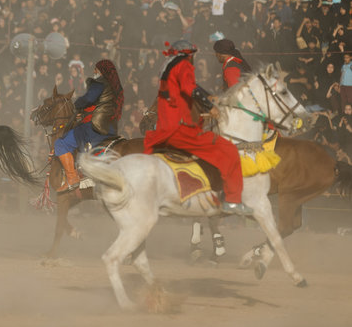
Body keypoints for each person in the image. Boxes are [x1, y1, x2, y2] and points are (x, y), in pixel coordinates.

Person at [143, 40, 253, 216]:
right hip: (181, 130)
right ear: (188, 55)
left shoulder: (168, 68)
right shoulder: (183, 66)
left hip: (165, 129)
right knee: (230, 151)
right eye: (193, 55)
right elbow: (191, 88)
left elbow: (188, 90)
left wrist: (210, 98)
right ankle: (232, 201)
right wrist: (212, 108)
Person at [54, 59, 124, 192]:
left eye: (96, 69)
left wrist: (76, 104)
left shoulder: (99, 83)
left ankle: (72, 178)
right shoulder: (116, 88)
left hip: (95, 127)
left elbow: (88, 99)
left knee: (60, 143)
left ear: (102, 71)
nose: (94, 72)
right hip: (110, 129)